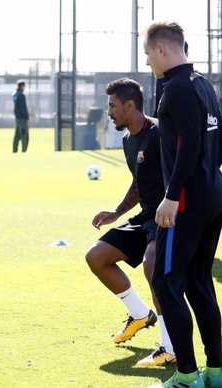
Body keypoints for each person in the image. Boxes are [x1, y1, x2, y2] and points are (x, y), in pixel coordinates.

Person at [144, 21, 222, 387]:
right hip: (212, 196)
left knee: (165, 282)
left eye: (147, 54)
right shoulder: (203, 84)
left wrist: (171, 197)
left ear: (162, 49)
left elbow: (189, 144)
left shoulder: (175, 88)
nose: (147, 62)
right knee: (198, 281)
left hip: (186, 204)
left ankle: (187, 376)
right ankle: (217, 371)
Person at [85, 77, 174, 367]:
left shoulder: (160, 133)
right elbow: (138, 185)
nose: (108, 112)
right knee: (96, 256)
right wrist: (115, 213)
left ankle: (169, 346)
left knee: (152, 266)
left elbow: (181, 173)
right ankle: (139, 314)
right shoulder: (127, 140)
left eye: (112, 106)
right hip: (146, 215)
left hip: (170, 215)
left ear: (130, 105)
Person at [12, 80, 30, 153]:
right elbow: (23, 108)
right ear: (22, 86)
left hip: (17, 118)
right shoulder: (21, 95)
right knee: (24, 135)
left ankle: (14, 150)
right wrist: (27, 117)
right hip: (22, 119)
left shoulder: (15, 95)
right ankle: (24, 150)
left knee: (17, 135)